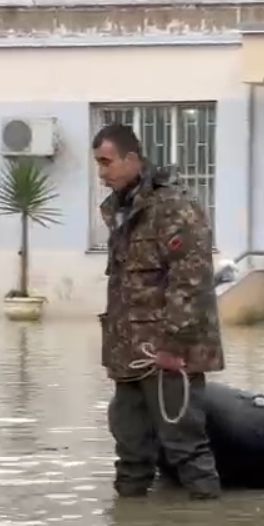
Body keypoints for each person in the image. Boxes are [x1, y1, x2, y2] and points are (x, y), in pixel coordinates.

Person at [94, 123, 224, 499]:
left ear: (132, 158)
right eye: (98, 165)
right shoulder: (122, 211)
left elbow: (190, 281)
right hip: (128, 353)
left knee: (185, 445)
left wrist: (173, 345)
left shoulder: (173, 207)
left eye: (107, 162)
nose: (102, 173)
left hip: (168, 355)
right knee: (130, 447)